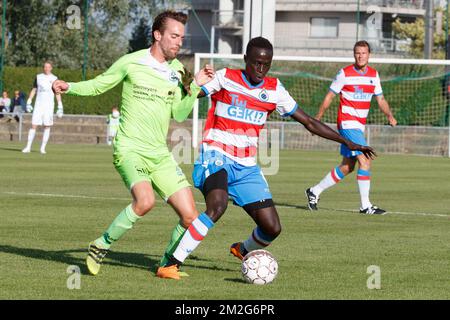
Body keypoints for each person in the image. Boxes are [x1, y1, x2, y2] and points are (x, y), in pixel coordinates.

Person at [157, 37, 375, 272]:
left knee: (272, 228)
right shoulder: (225, 77)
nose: (261, 69)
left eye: (266, 64)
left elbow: (310, 123)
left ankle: (243, 249)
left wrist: (348, 141)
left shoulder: (274, 90)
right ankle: (171, 264)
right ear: (245, 60)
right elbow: (191, 93)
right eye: (256, 63)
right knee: (217, 206)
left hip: (246, 167)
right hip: (215, 156)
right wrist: (187, 80)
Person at [52, 10, 214, 279]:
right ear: (157, 35)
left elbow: (181, 114)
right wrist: (69, 86)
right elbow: (98, 85)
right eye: (174, 36)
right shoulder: (131, 62)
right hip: (129, 149)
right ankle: (101, 244)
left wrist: (195, 86)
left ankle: (166, 264)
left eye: (181, 37)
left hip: (159, 154)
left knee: (191, 217)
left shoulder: (178, 72)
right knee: (145, 201)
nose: (178, 42)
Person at [305, 40, 397, 215]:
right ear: (353, 54)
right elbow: (329, 97)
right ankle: (365, 206)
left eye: (363, 53)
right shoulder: (344, 74)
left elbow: (381, 99)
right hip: (347, 124)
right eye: (357, 53)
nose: (360, 56)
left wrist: (390, 115)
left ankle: (314, 191)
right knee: (366, 160)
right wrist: (317, 119)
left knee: (348, 166)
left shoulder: (374, 75)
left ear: (369, 55)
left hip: (358, 126)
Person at [22, 62, 64, 154]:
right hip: (38, 105)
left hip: (49, 106)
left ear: (51, 68)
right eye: (45, 66)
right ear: (43, 68)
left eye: (48, 67)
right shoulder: (38, 77)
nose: (46, 68)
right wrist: (29, 101)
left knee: (47, 126)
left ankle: (42, 148)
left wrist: (60, 106)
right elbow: (34, 90)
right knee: (33, 125)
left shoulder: (55, 78)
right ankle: (28, 147)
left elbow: (57, 93)